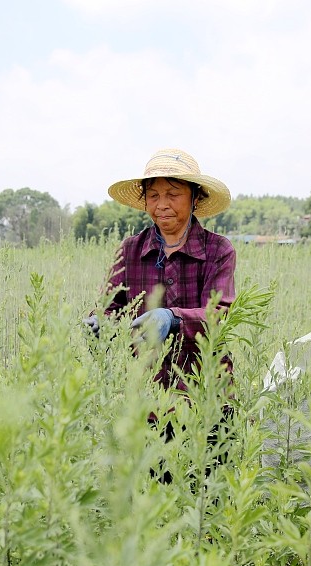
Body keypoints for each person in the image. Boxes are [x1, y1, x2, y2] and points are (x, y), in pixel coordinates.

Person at [87, 148, 236, 481]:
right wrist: (99, 321)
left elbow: (221, 312)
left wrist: (174, 318)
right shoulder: (130, 249)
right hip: (149, 399)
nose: (162, 204)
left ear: (195, 197)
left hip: (206, 393)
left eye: (173, 193)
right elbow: (110, 305)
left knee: (207, 498)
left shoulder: (218, 250)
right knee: (155, 493)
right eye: (153, 195)